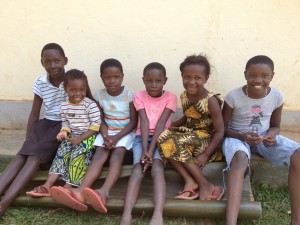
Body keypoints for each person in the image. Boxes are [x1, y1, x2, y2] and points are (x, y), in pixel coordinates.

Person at [50, 58, 138, 213]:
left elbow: (133, 123)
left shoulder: (130, 95)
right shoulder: (99, 96)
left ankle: (104, 191)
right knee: (98, 156)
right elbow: (100, 120)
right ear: (101, 77)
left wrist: (115, 138)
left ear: (122, 76)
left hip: (124, 133)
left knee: (117, 156)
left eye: (116, 77)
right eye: (107, 77)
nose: (112, 81)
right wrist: (105, 136)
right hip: (106, 132)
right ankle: (81, 190)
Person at [222, 55, 300, 225]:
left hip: (263, 137)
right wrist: (243, 137)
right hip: (237, 137)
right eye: (253, 75)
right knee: (240, 158)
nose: (258, 80)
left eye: (264, 76)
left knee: (298, 155)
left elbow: (275, 125)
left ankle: (296, 220)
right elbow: (222, 129)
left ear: (272, 76)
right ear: (245, 75)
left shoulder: (277, 96)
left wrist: (272, 135)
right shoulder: (233, 96)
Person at [0, 43, 68, 216]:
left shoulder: (72, 79)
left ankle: (4, 203)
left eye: (57, 61)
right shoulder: (40, 81)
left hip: (62, 127)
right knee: (21, 156)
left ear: (65, 61)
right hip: (44, 124)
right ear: (42, 63)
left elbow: (87, 102)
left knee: (34, 158)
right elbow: (34, 114)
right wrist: (28, 138)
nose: (53, 65)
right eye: (47, 62)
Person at [157, 54, 224, 201]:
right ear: (182, 76)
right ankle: (190, 180)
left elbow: (220, 131)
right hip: (191, 134)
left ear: (205, 78)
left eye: (197, 78)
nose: (191, 82)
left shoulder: (210, 101)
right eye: (187, 77)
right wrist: (172, 125)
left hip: (206, 138)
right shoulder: (184, 96)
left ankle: (205, 184)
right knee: (162, 138)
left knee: (173, 142)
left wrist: (206, 154)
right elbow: (188, 117)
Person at [26, 69, 101, 197]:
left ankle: (68, 186)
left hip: (88, 136)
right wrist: (64, 132)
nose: (78, 93)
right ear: (65, 89)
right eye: (73, 90)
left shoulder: (90, 105)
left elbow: (95, 126)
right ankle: (47, 185)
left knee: (78, 156)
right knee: (61, 154)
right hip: (72, 136)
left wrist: (81, 138)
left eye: (82, 90)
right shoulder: (64, 106)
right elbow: (66, 123)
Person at [120, 62, 177, 225]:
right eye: (149, 80)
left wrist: (151, 151)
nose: (153, 85)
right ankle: (126, 214)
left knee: (157, 169)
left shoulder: (171, 97)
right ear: (143, 80)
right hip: (141, 138)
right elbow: (143, 121)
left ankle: (158, 215)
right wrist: (145, 149)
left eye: (158, 81)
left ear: (164, 80)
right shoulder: (138, 96)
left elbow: (161, 124)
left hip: (162, 139)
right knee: (137, 170)